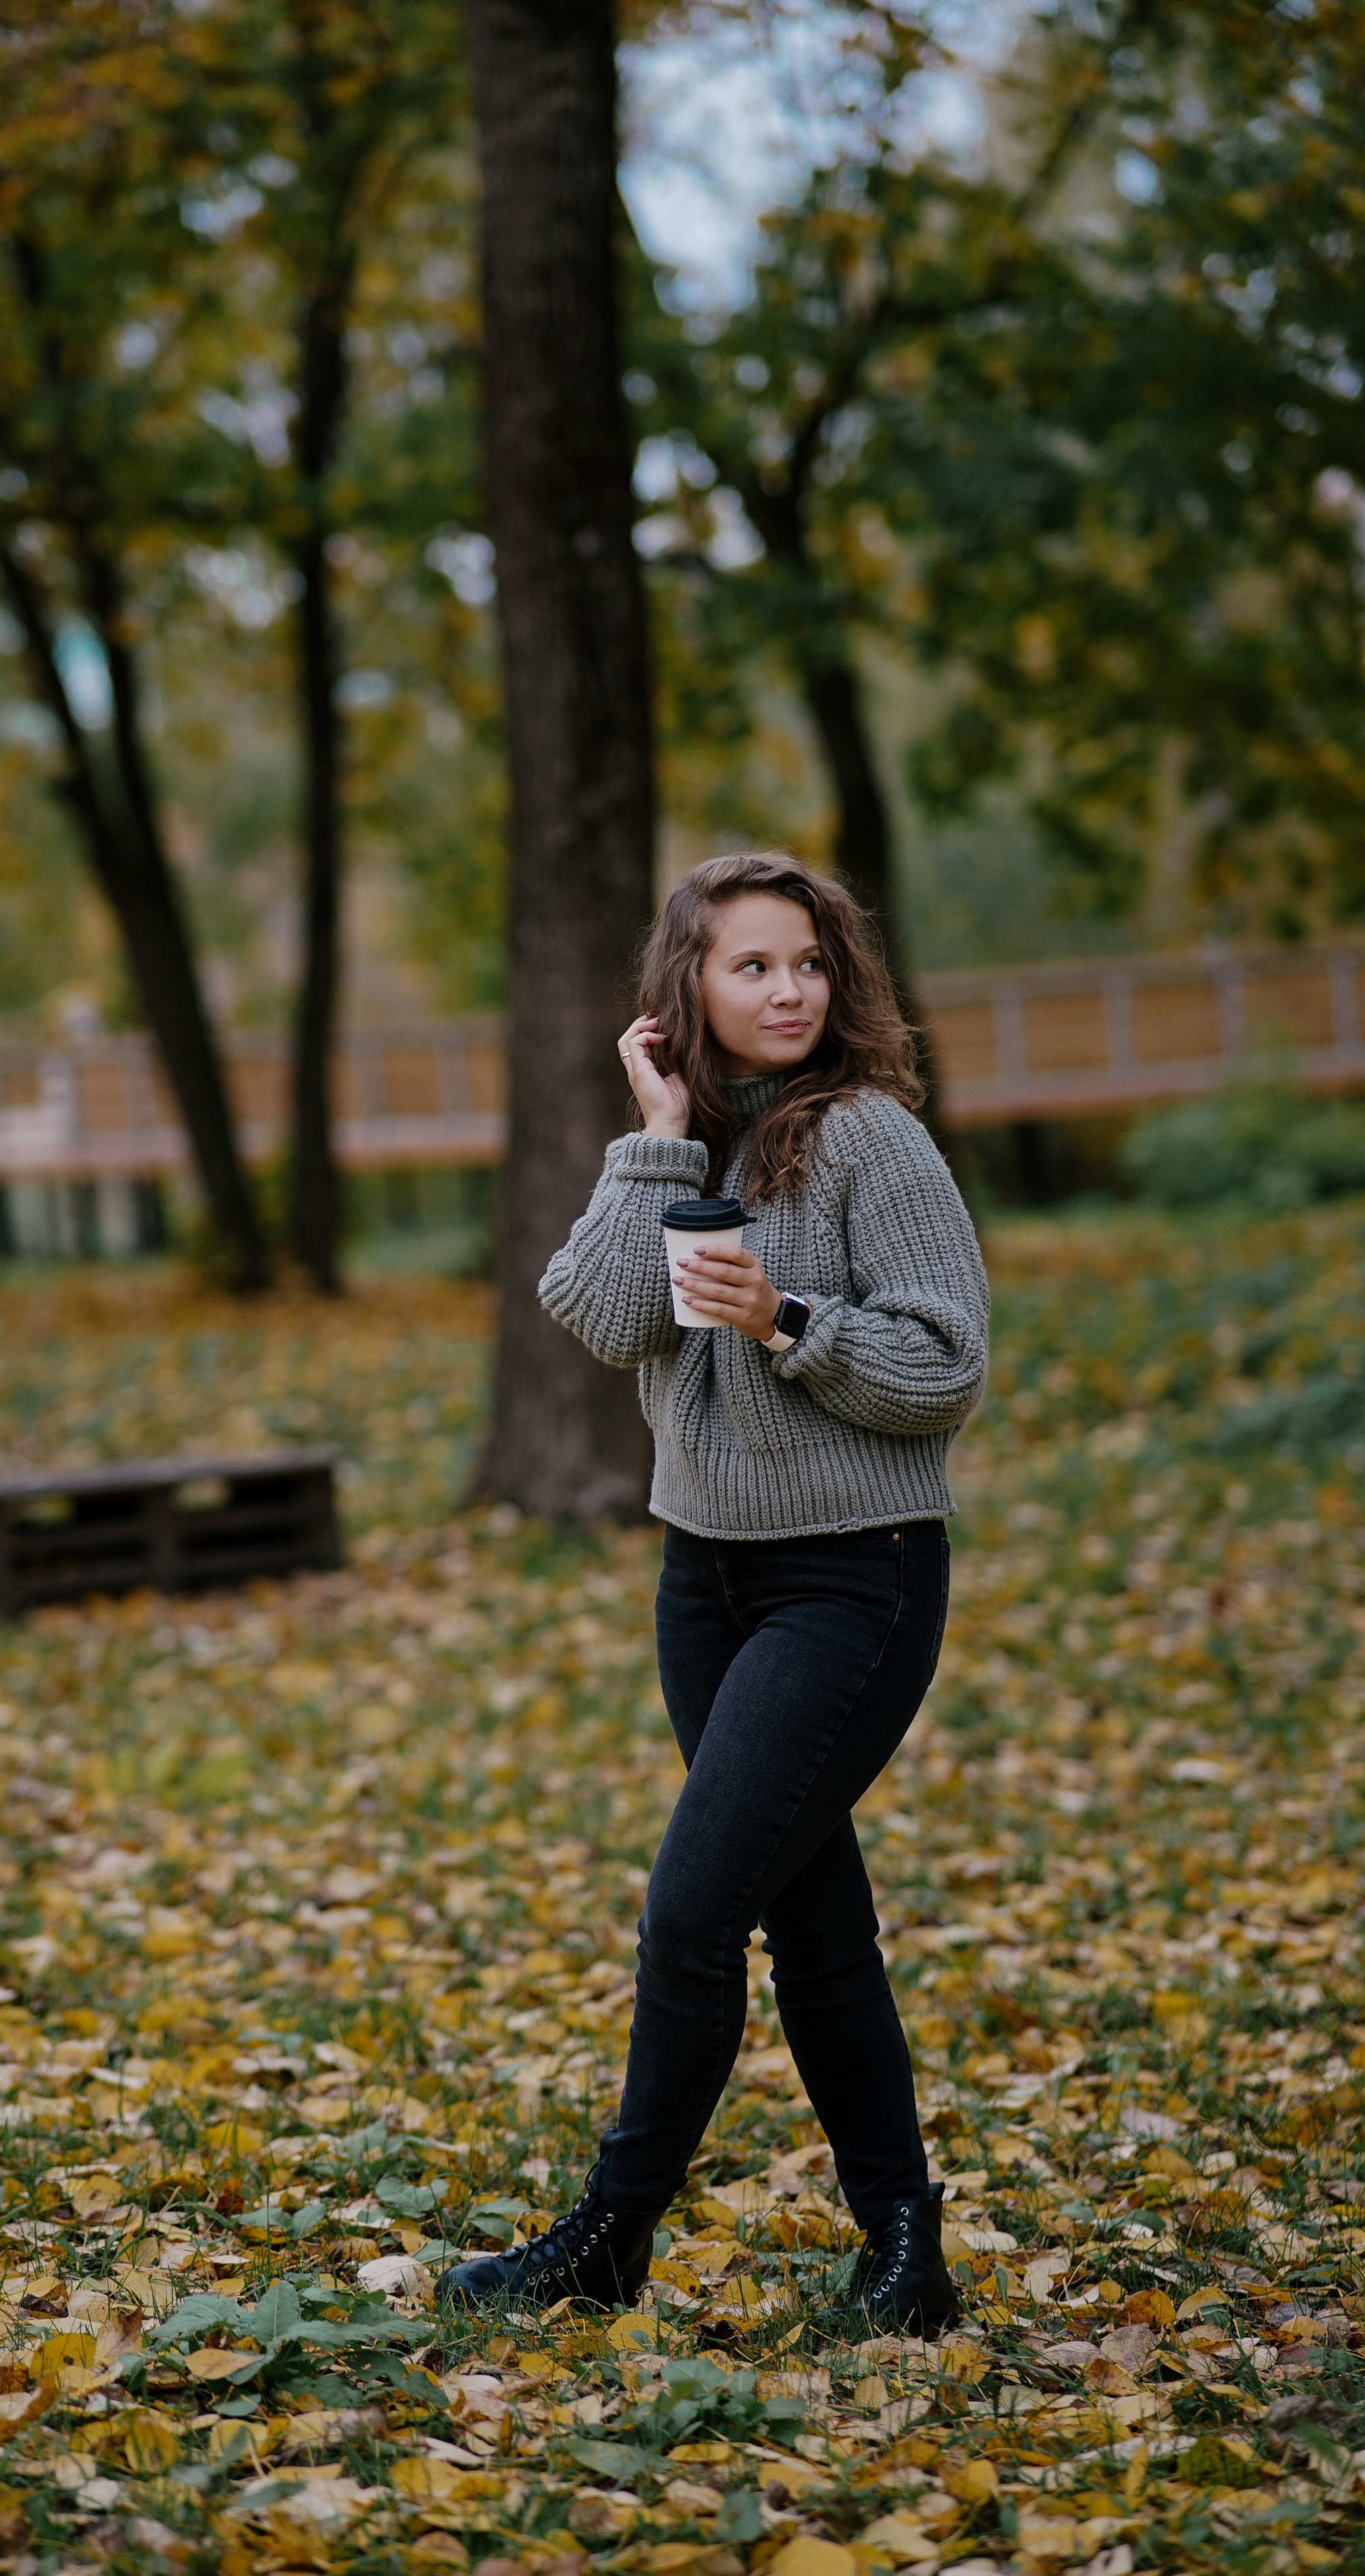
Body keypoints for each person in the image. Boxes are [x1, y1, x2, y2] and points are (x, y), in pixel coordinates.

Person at [438, 852, 989, 2331]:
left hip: (852, 1579)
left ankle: (611, 2233)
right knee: (810, 1927)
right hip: (704, 1583)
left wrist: (790, 1319)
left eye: (806, 962)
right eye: (750, 965)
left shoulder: (874, 1142)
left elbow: (946, 1369)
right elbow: (603, 1316)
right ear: (685, 986)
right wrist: (657, 1139)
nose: (788, 989)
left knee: (692, 1915)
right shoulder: (684, 1150)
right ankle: (902, 2254)